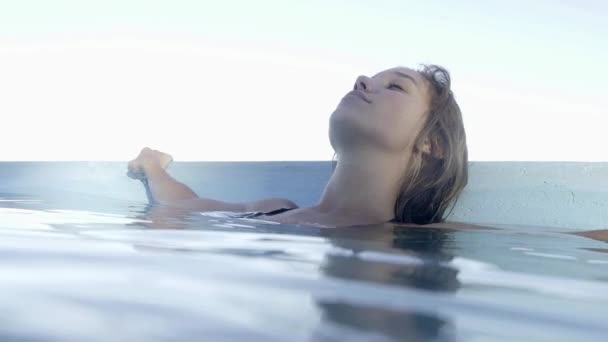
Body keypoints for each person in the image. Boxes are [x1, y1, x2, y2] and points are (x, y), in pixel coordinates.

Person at [127, 65, 469, 228]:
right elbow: (183, 204)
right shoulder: (273, 209)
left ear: (432, 143)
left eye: (395, 87)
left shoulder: (429, 235)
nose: (362, 80)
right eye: (366, 80)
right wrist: (152, 167)